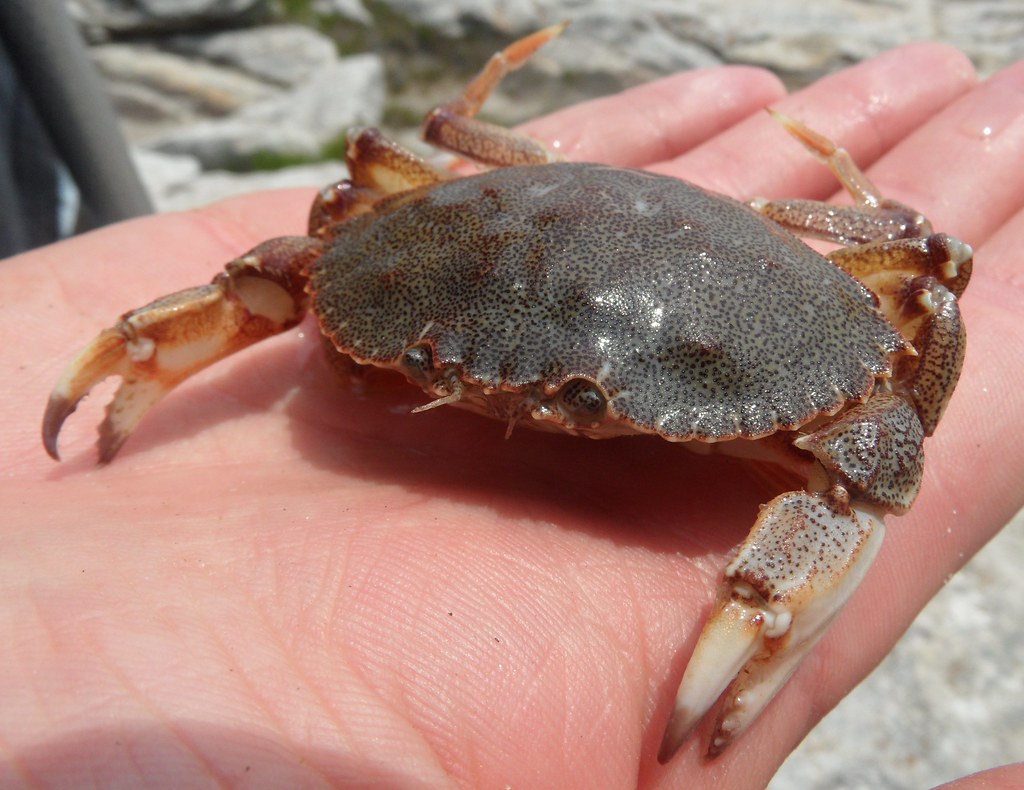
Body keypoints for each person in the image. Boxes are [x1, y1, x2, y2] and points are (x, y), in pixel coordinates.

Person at [1, 41, 1021, 788]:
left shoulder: (824, 330)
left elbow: (913, 348)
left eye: (576, 401)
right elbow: (317, 243)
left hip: (746, 265)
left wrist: (901, 430)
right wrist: (353, 356)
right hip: (502, 221)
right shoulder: (403, 220)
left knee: (897, 378)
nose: (540, 408)